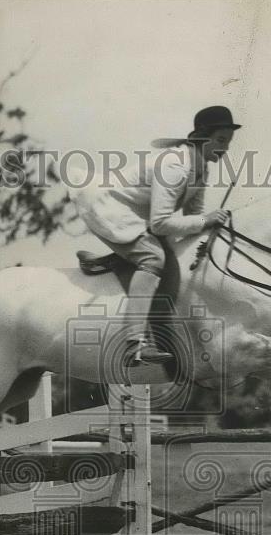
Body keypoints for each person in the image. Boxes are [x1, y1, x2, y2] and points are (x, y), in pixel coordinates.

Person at [73, 105, 241, 364]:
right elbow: (162, 223)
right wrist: (204, 220)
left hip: (138, 215)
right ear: (202, 138)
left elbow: (192, 217)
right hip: (109, 208)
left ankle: (115, 260)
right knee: (154, 259)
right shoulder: (175, 166)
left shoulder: (201, 169)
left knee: (171, 253)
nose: (225, 149)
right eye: (221, 141)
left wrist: (208, 224)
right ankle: (134, 343)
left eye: (228, 143)